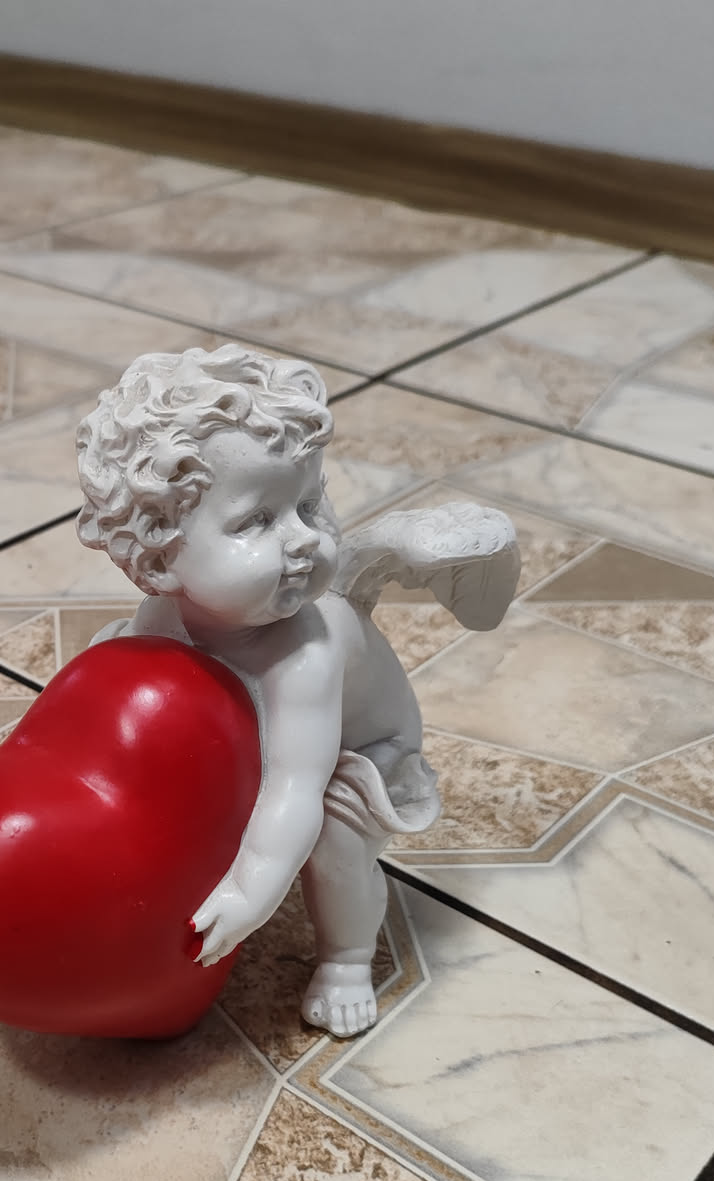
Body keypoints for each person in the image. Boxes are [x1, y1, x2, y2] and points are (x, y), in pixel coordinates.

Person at [76, 345, 519, 1036]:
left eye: (311, 504)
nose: (306, 540)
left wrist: (252, 889)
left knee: (332, 839)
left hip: (357, 750)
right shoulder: (160, 619)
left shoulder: (304, 653)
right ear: (161, 555)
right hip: (256, 738)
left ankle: (347, 957)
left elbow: (294, 789)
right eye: (257, 521)